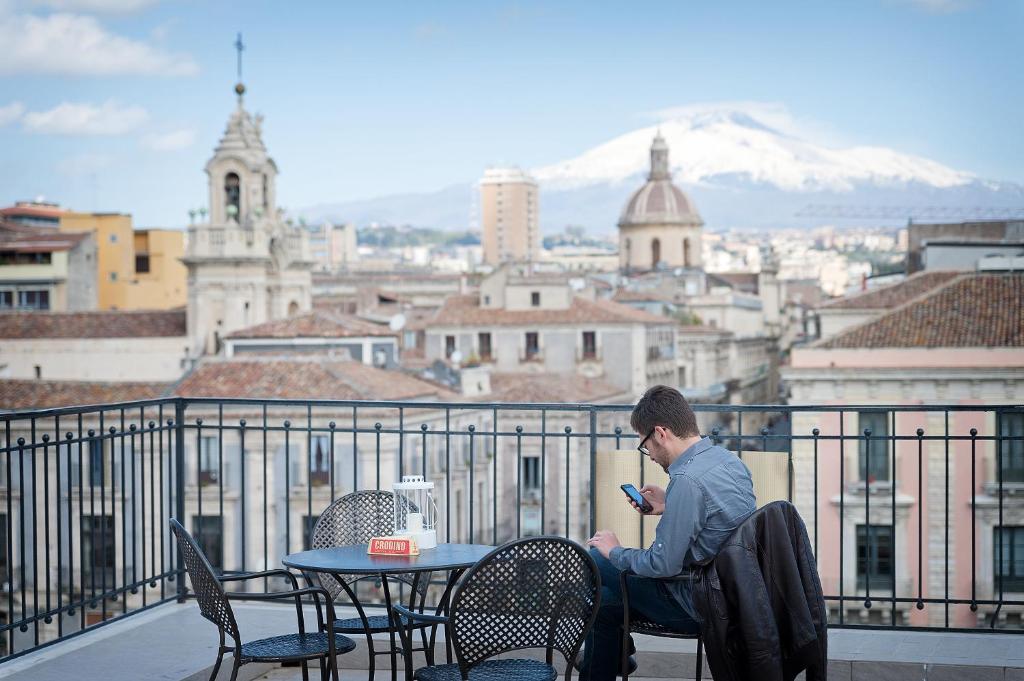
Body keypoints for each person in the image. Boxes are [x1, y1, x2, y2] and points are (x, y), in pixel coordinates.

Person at [581, 385, 757, 681]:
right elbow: (718, 517)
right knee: (605, 605)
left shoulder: (687, 480)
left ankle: (616, 657)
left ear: (661, 433)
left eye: (645, 444)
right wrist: (669, 505)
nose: (648, 454)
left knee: (595, 559)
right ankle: (615, 658)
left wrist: (614, 551)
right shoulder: (728, 461)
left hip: (699, 603)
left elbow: (663, 565)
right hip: (734, 592)